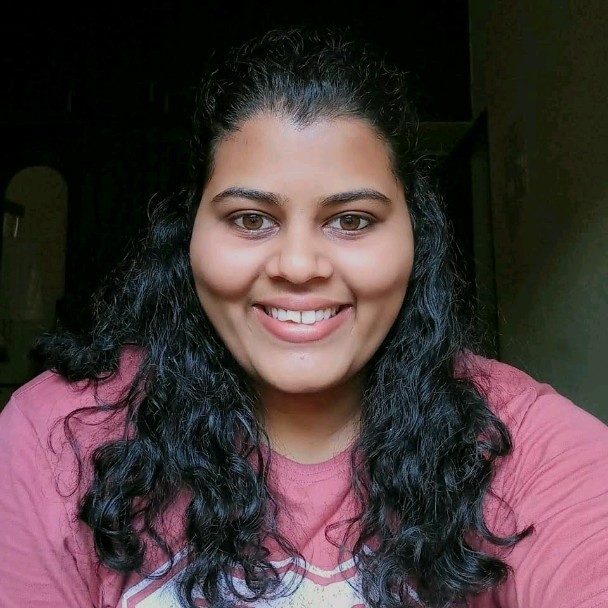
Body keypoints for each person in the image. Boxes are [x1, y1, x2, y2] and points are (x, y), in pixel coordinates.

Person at [0, 28, 607, 608]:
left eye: (352, 220)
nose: (297, 265)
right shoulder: (58, 439)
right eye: (250, 219)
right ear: (189, 234)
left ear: (415, 234)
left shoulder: (518, 443)